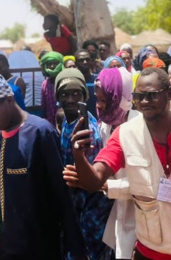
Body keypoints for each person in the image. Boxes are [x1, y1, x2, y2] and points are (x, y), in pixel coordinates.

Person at [65, 67, 171, 260]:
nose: (144, 102)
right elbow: (95, 181)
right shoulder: (125, 134)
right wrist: (78, 155)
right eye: (139, 96)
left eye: (151, 95)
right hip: (151, 249)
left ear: (170, 93)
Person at [0, 71, 87, 259]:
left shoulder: (40, 132)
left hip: (39, 247)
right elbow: (1, 190)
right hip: (5, 246)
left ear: (9, 99)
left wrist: (78, 251)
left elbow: (62, 196)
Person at [56, 68, 114, 260]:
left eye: (76, 93)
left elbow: (85, 185)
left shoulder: (88, 133)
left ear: (84, 95)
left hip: (90, 210)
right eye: (65, 94)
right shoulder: (66, 122)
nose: (71, 99)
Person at [94, 67, 140, 259]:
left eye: (103, 100)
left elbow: (148, 183)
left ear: (119, 98)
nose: (98, 105)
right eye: (97, 99)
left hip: (142, 217)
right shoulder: (105, 125)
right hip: (119, 214)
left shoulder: (140, 127)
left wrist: (106, 185)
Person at [40, 51, 65, 127]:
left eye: (55, 63)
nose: (52, 66)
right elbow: (44, 106)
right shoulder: (45, 84)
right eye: (49, 64)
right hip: (50, 123)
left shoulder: (66, 80)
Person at [76, 49, 98, 118]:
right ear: (75, 63)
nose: (85, 62)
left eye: (87, 59)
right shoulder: (73, 81)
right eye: (81, 60)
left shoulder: (98, 80)